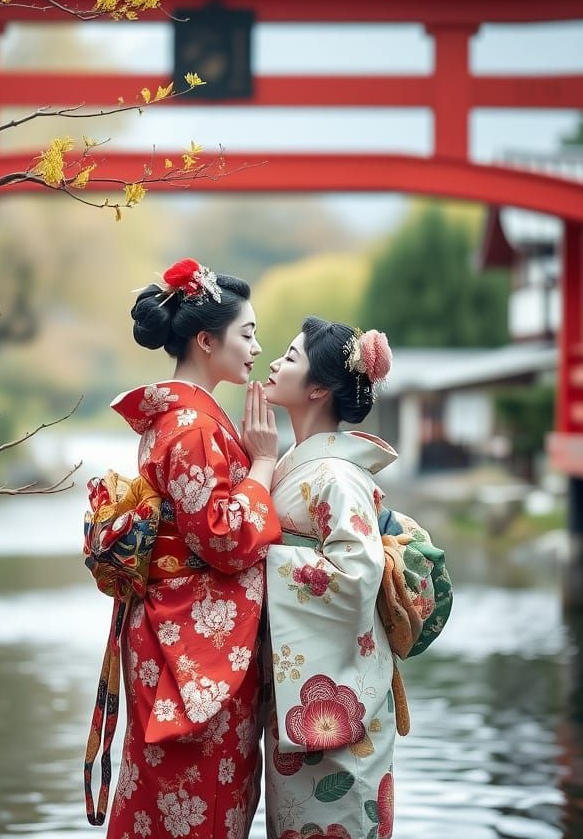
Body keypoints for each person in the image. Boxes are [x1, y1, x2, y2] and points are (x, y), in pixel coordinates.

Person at [106, 258, 282, 839]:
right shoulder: (193, 427)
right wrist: (263, 464)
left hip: (170, 627)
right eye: (247, 334)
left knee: (173, 798)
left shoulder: (179, 419)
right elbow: (225, 540)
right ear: (206, 341)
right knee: (200, 799)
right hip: (189, 640)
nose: (257, 348)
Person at [260, 317, 398, 839]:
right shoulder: (297, 465)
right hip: (300, 692)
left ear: (317, 388)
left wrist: (262, 564)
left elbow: (357, 576)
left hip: (340, 699)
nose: (275, 363)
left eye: (291, 357)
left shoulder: (336, 475)